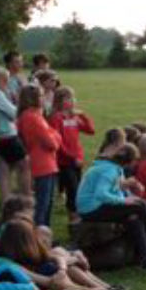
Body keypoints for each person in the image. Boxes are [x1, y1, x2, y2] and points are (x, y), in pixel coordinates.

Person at [77, 142, 146, 273]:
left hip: (95, 205)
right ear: (130, 161)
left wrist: (126, 198)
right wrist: (123, 200)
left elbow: (113, 189)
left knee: (133, 218)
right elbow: (101, 194)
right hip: (91, 209)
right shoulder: (109, 170)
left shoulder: (113, 167)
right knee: (140, 205)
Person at [15, 84, 61, 229]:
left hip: (47, 164)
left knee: (47, 203)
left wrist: (52, 133)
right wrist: (55, 134)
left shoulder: (33, 116)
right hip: (43, 165)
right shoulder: (33, 117)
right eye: (41, 95)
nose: (44, 98)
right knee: (42, 205)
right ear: (32, 99)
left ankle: (44, 234)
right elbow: (52, 143)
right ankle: (39, 237)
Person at [0, 66, 30, 201]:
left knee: (5, 166)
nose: (8, 82)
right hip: (5, 135)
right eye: (6, 79)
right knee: (24, 163)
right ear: (0, 79)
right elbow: (14, 113)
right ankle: (25, 196)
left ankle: (5, 198)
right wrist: (21, 100)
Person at [49, 86, 95, 223]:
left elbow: (91, 130)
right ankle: (73, 217)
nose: (72, 101)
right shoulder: (56, 118)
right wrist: (71, 157)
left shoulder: (74, 117)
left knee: (78, 187)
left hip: (77, 160)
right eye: (68, 98)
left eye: (72, 97)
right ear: (59, 101)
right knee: (73, 188)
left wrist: (82, 115)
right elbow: (58, 142)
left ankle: (77, 213)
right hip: (65, 161)